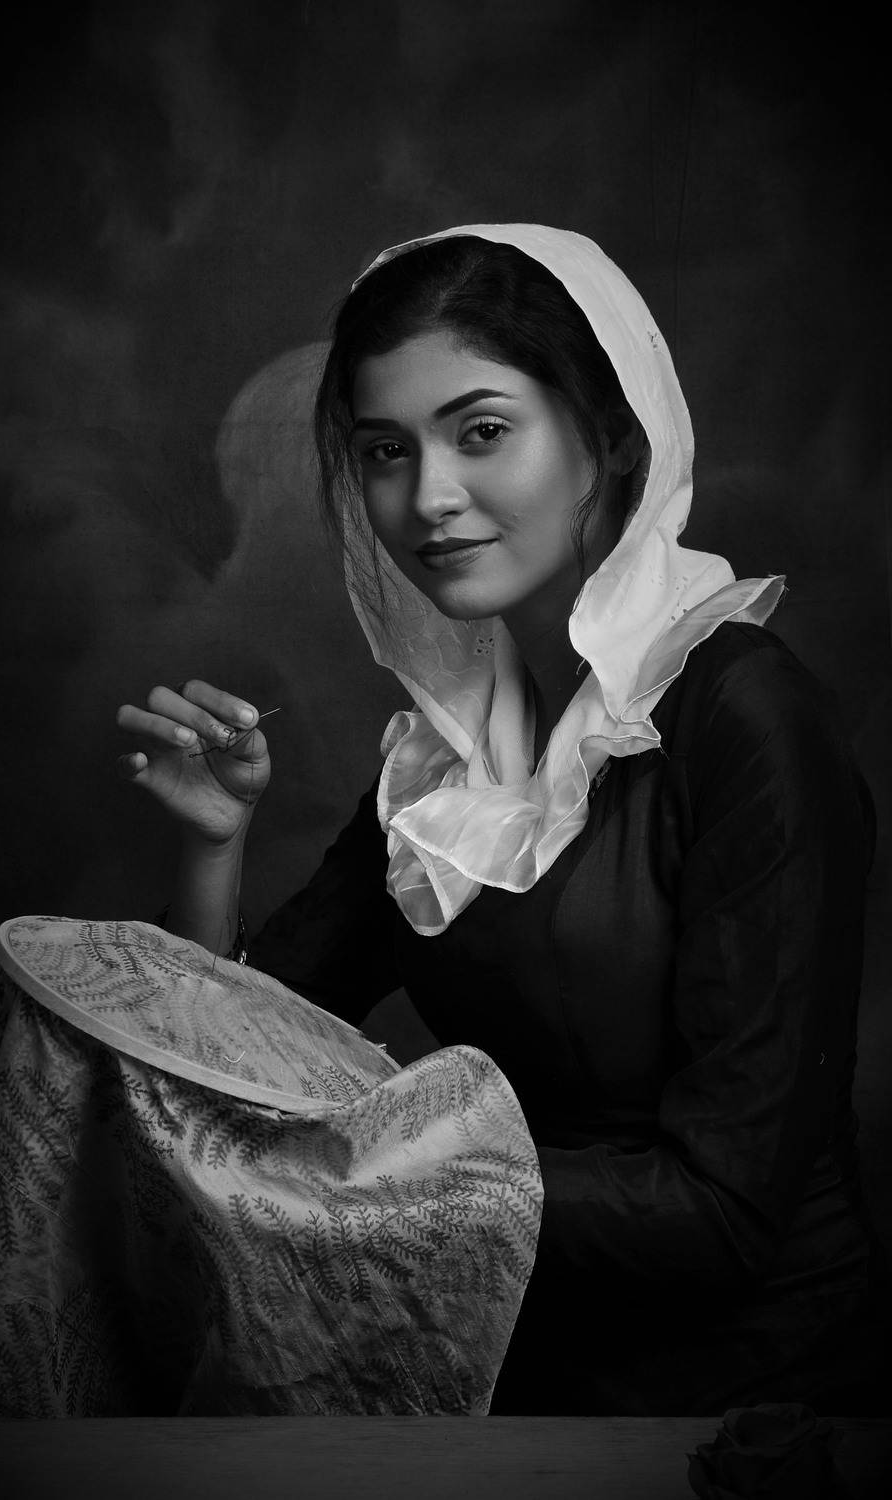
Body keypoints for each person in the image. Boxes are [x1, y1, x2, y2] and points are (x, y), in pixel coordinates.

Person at [115, 224, 884, 1416]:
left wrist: (368, 1176)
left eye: (481, 432)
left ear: (611, 437)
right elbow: (233, 1067)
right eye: (384, 450)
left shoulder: (744, 719)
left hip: (750, 1409)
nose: (427, 498)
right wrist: (215, 844)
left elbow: (723, 1215)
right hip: (502, 1370)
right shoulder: (448, 753)